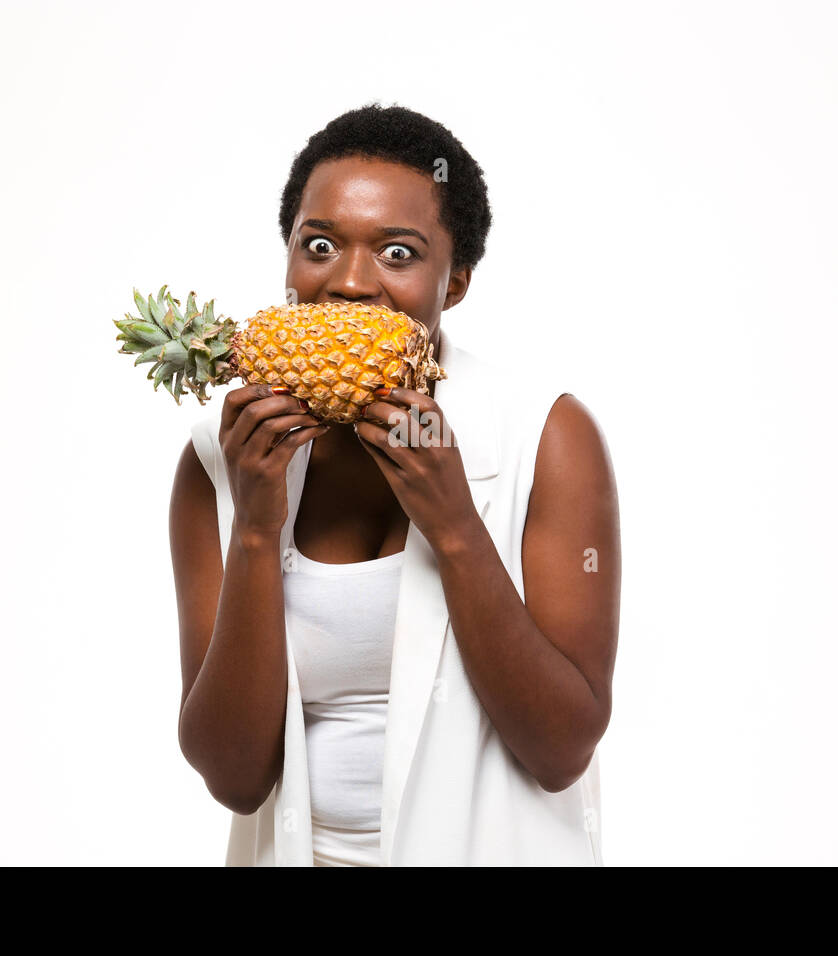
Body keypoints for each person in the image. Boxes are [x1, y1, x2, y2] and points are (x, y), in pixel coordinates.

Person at [170, 102, 620, 865]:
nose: (349, 283)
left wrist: (453, 527)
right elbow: (235, 777)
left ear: (456, 283)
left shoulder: (548, 436)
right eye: (319, 245)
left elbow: (561, 749)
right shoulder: (222, 457)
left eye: (399, 254)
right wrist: (253, 528)